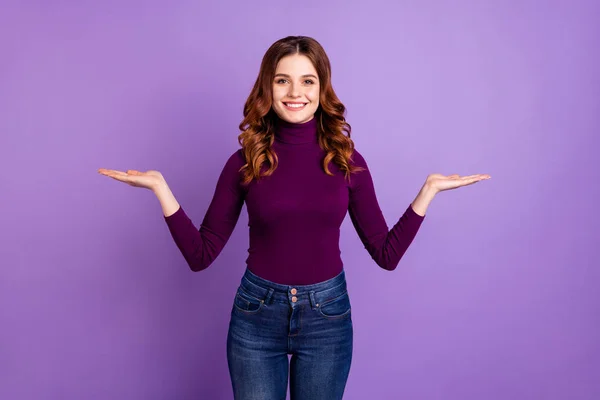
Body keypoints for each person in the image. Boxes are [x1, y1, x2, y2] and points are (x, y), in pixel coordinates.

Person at [98, 36, 490, 400]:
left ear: (322, 89)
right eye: (283, 80)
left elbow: (386, 254)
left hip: (327, 317)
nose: (295, 92)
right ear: (268, 88)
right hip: (256, 315)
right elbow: (201, 255)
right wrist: (161, 190)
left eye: (307, 81)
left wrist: (428, 192)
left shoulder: (347, 163)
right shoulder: (245, 162)